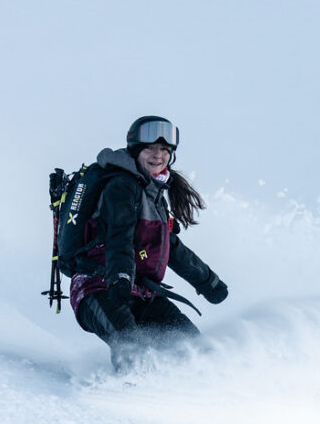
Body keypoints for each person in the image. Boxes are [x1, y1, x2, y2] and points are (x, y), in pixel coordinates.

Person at [60, 116, 228, 361]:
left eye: (164, 149)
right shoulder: (121, 185)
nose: (157, 155)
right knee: (132, 349)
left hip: (141, 291)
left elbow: (170, 246)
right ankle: (127, 395)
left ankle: (199, 395)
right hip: (98, 284)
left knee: (195, 350)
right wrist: (120, 277)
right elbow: (120, 236)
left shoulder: (152, 191)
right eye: (150, 148)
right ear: (136, 150)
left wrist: (208, 282)